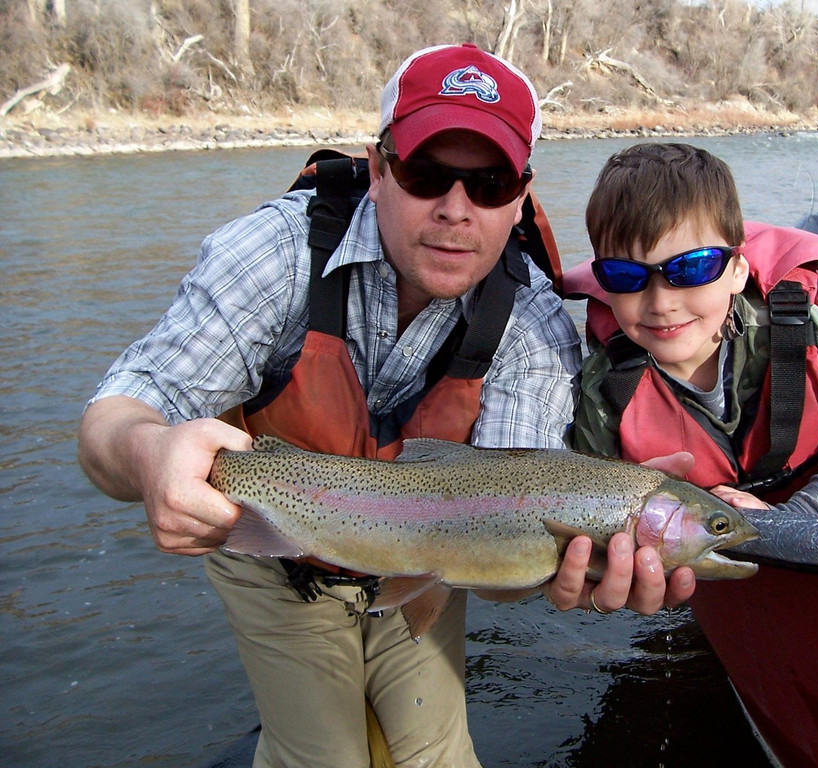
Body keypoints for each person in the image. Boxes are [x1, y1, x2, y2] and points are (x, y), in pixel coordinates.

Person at [77, 46, 690, 768]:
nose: (456, 210)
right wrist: (152, 456)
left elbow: (501, 560)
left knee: (436, 756)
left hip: (436, 551)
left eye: (489, 184)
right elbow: (115, 417)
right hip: (274, 544)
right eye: (426, 175)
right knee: (323, 757)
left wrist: (574, 568)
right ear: (378, 169)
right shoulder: (275, 255)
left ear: (521, 197)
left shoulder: (533, 324)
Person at [569, 142, 818, 518]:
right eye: (625, 275)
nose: (661, 304)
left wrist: (796, 519)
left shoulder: (801, 333)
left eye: (692, 269)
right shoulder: (605, 390)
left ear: (737, 270)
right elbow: (592, 503)